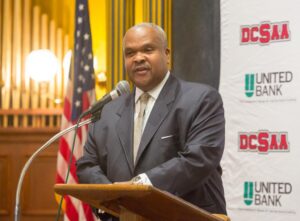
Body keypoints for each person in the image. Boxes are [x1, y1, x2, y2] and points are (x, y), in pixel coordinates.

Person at [76, 22, 226, 220]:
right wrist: (111, 194)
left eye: (148, 49)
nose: (138, 58)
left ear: (167, 55)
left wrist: (137, 187)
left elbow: (198, 159)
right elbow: (87, 165)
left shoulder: (201, 99)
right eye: (130, 53)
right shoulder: (108, 111)